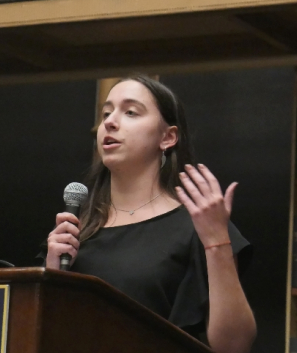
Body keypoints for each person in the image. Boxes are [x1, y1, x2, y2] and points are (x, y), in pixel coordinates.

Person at [44, 75, 257, 353]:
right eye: (106, 113)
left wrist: (217, 243)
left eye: (130, 112)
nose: (110, 122)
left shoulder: (198, 224)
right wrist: (50, 271)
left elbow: (234, 345)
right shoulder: (77, 227)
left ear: (168, 137)